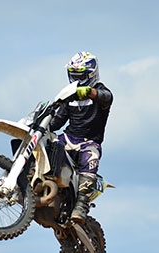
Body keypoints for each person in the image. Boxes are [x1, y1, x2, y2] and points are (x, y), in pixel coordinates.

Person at [49, 51, 113, 223]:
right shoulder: (70, 96)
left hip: (89, 143)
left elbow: (107, 97)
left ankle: (81, 206)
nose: (77, 79)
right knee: (48, 144)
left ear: (92, 75)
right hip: (69, 138)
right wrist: (41, 125)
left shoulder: (101, 91)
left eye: (81, 76)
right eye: (74, 75)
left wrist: (89, 92)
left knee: (91, 158)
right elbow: (57, 121)